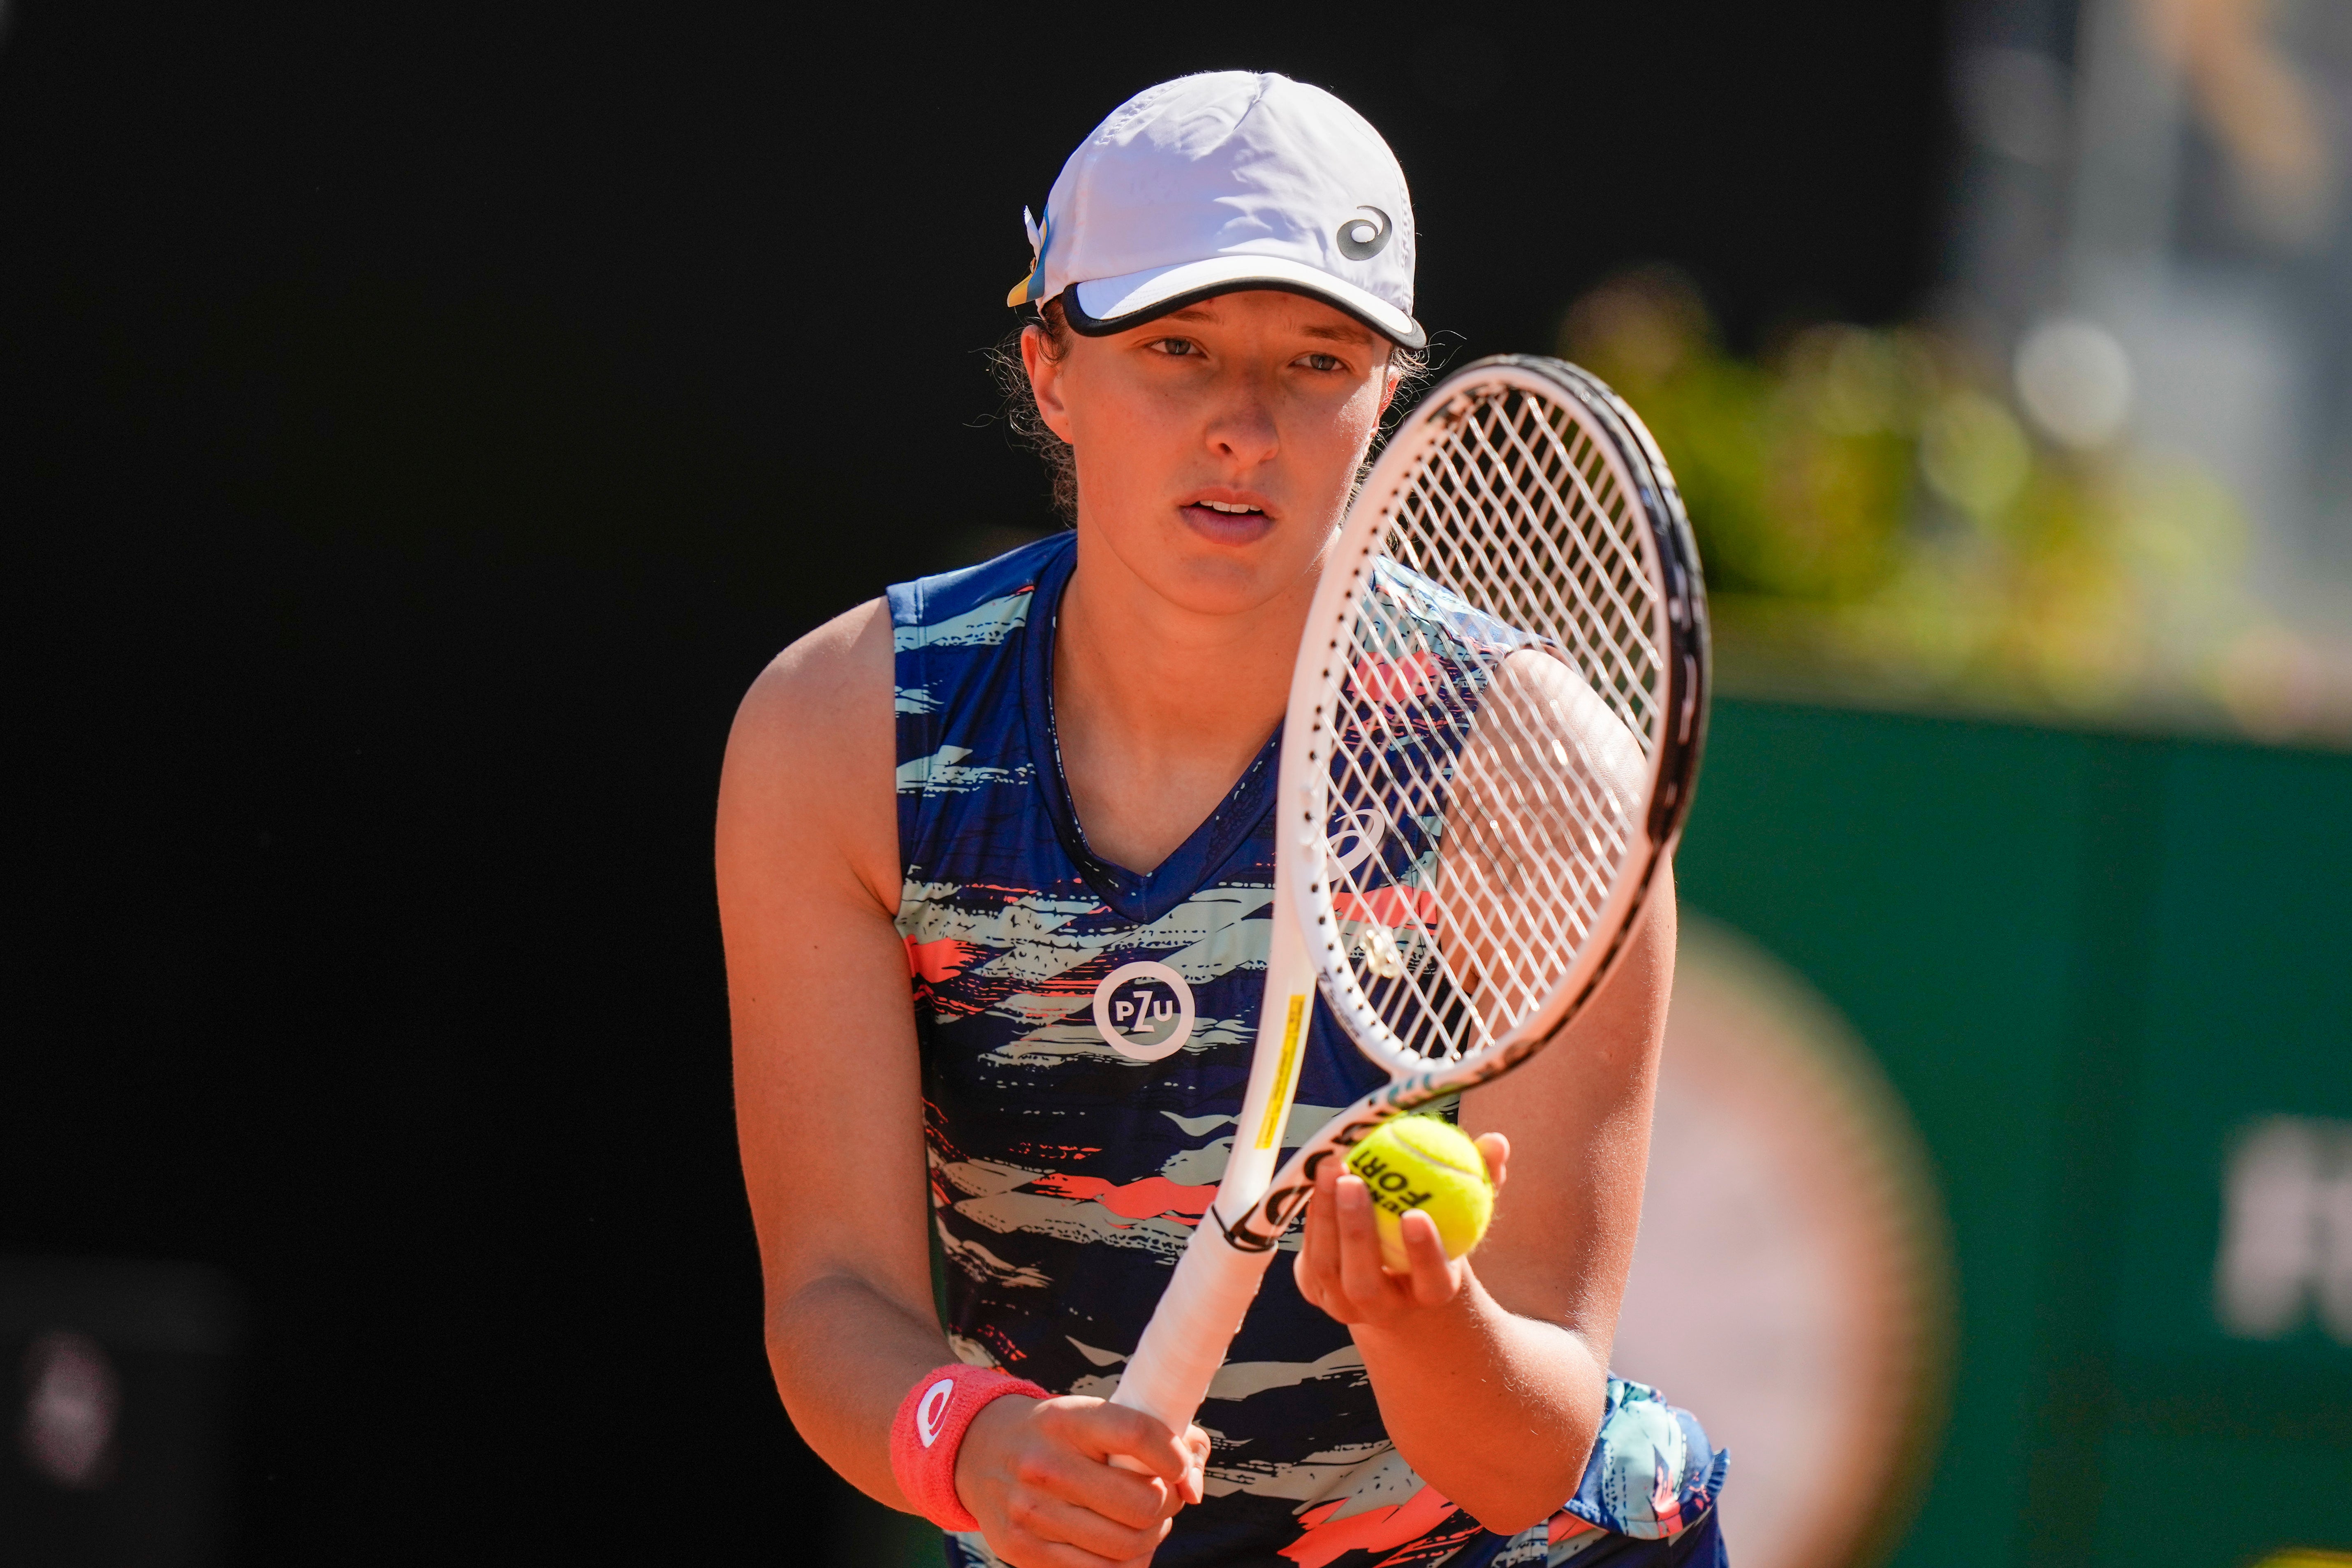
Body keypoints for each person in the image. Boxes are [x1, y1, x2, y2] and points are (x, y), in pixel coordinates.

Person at [718, 72, 1727, 1568]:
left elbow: (1529, 1455)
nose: (1244, 426)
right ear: (1052, 372)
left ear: (1384, 387)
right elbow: (834, 1301)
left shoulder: (1535, 771)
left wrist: (1428, 1323)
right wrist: (982, 1446)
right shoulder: (838, 734)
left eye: (1317, 361)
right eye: (1177, 350)